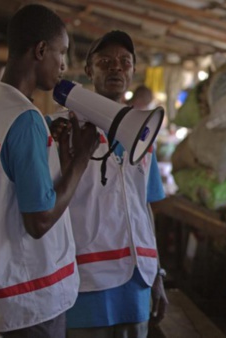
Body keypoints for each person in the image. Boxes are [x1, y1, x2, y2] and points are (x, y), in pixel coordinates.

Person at [0, 4, 99, 336]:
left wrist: (57, 159)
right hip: (32, 298)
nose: (64, 64)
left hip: (4, 288)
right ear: (41, 50)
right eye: (61, 53)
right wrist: (81, 160)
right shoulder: (26, 119)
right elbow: (38, 221)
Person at [49, 30, 168, 337]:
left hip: (138, 282)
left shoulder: (144, 132)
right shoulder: (62, 129)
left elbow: (145, 209)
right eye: (105, 61)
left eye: (124, 61)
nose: (116, 67)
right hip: (87, 281)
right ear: (89, 71)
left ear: (133, 70)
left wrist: (157, 274)